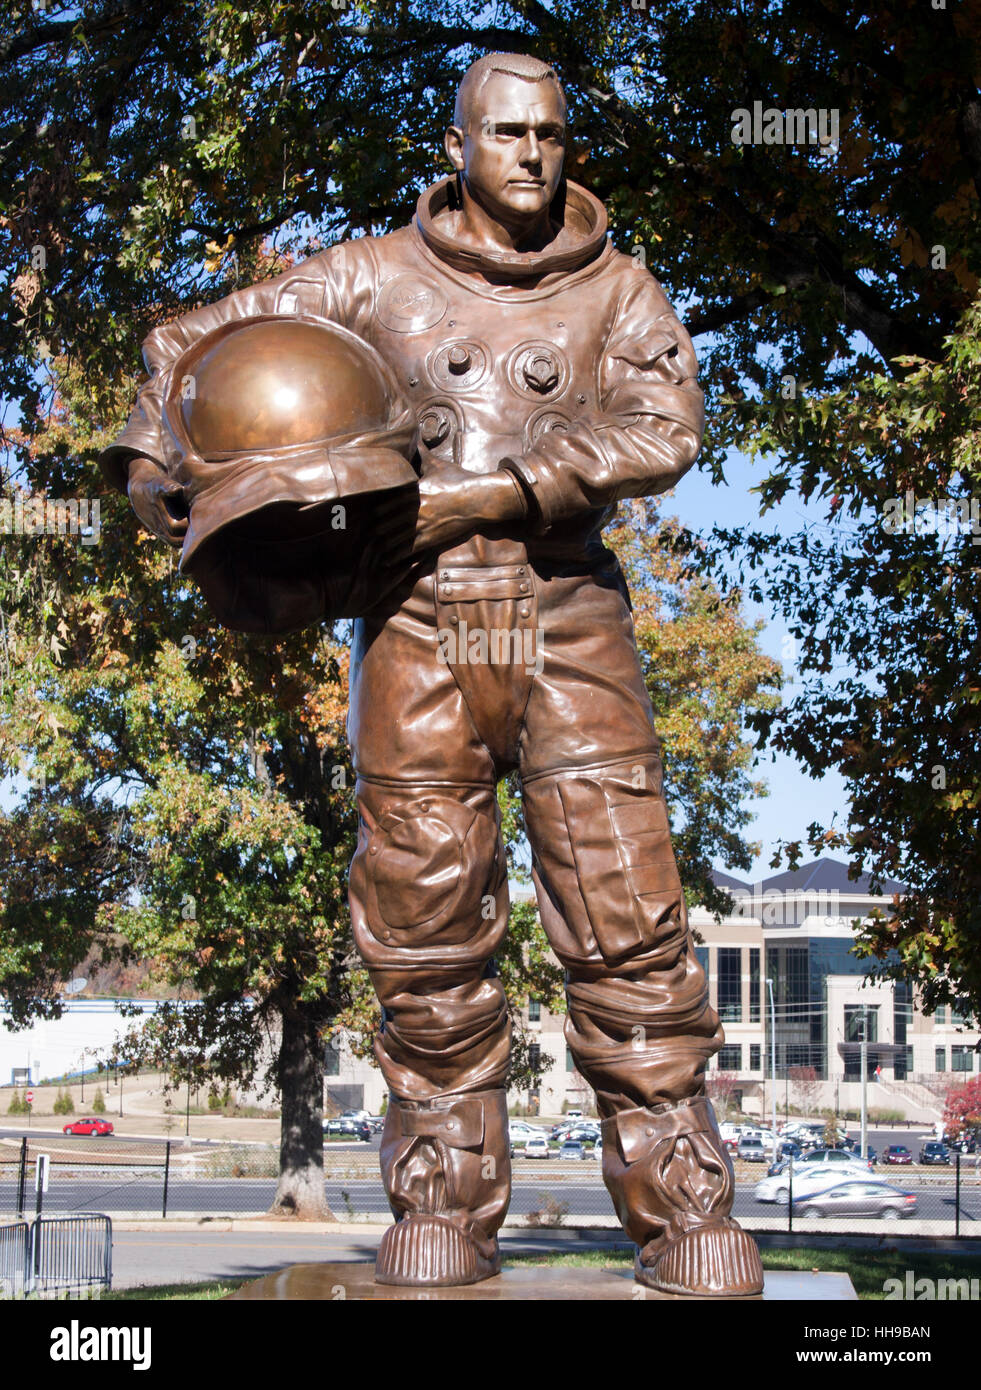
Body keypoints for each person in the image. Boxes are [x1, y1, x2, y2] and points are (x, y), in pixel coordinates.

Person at [102, 51, 763, 1296]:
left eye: (550, 134)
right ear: (457, 144)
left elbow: (663, 429)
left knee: (627, 917)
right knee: (425, 921)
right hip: (417, 621)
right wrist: (160, 466)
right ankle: (444, 1202)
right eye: (504, 132)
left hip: (562, 614)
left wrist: (478, 490)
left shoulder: (617, 288)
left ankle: (685, 1211)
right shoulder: (367, 277)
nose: (530, 153)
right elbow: (189, 342)